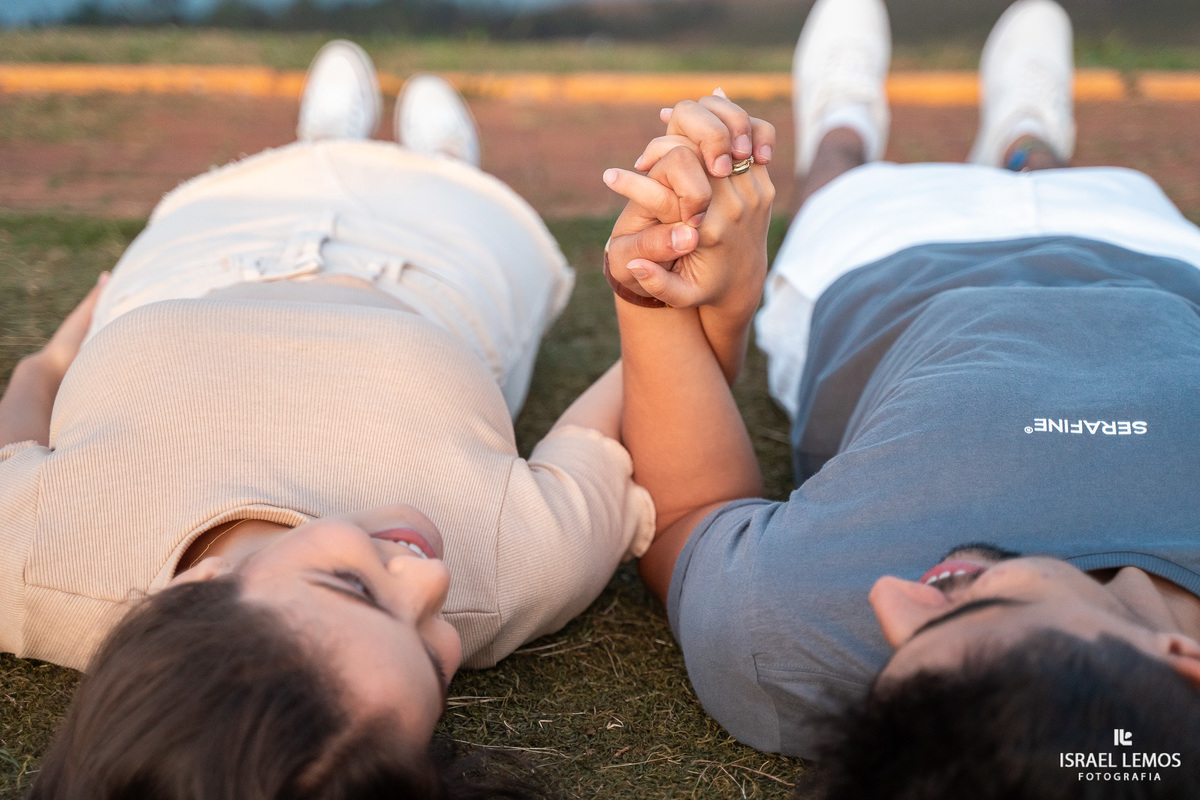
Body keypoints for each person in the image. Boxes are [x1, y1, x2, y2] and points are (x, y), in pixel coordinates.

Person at [0, 40, 664, 797]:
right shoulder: (515, 569)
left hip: (206, 241)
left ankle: (323, 145)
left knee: (265, 177)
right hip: (439, 262)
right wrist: (662, 287)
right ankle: (443, 165)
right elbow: (632, 400)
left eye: (352, 588)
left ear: (197, 590)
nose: (431, 579)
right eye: (433, 662)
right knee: (460, 197)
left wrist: (49, 364)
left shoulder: (30, 562)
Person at [603, 0, 1200, 794]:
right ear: (1178, 660)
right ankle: (1027, 132)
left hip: (871, 260)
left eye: (885, 667)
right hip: (1148, 243)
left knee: (838, 179)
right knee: (1046, 166)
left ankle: (843, 118)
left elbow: (688, 514)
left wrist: (648, 283)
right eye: (975, 613)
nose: (889, 598)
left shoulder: (785, 638)